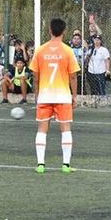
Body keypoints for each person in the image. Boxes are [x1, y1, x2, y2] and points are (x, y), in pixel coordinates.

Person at [29, 18, 81, 174]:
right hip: (63, 96)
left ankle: (40, 165)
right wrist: (74, 96)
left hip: (45, 96)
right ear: (64, 32)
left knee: (42, 129)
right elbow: (73, 76)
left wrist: (37, 95)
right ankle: (65, 165)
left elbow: (35, 76)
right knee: (65, 129)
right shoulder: (67, 50)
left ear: (50, 30)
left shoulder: (40, 50)